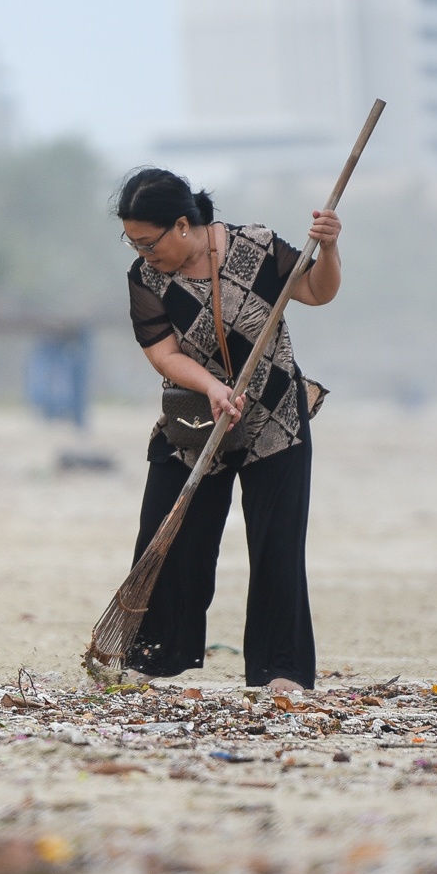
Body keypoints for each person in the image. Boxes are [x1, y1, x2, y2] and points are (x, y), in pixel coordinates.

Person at [117, 169, 343, 694]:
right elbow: (162, 353)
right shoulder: (145, 278)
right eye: (132, 242)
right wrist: (214, 389)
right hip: (196, 420)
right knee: (166, 537)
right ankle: (153, 659)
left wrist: (329, 251)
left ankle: (280, 671)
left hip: (275, 419)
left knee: (277, 547)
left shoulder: (256, 246)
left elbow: (315, 291)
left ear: (181, 226)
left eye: (149, 242)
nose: (142, 252)